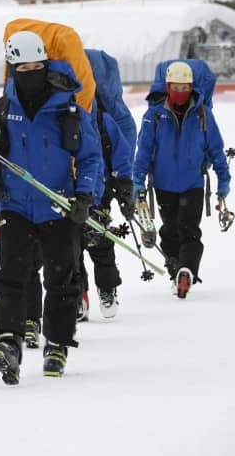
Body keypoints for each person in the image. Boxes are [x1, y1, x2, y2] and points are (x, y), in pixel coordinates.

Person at [0, 30, 101, 383]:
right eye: (22, 68)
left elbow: (90, 157)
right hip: (14, 206)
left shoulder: (67, 107)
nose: (30, 73)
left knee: (61, 278)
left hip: (59, 205)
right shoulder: (3, 109)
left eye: (37, 66)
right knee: (12, 275)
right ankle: (7, 341)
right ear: (12, 68)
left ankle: (57, 343)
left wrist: (85, 195)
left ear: (46, 63)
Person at [133, 61, 231, 298]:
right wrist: (137, 181)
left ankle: (186, 269)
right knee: (169, 232)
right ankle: (176, 270)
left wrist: (223, 181)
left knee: (189, 230)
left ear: (191, 87)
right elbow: (143, 151)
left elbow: (216, 150)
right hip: (164, 186)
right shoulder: (154, 115)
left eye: (184, 87)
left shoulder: (202, 114)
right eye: (175, 86)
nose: (180, 91)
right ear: (167, 86)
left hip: (193, 185)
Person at [78, 105, 134, 320]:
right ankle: (77, 295)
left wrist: (125, 186)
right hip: (67, 194)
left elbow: (121, 153)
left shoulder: (103, 120)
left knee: (100, 243)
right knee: (71, 249)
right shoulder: (59, 113)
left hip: (100, 192)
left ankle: (107, 289)